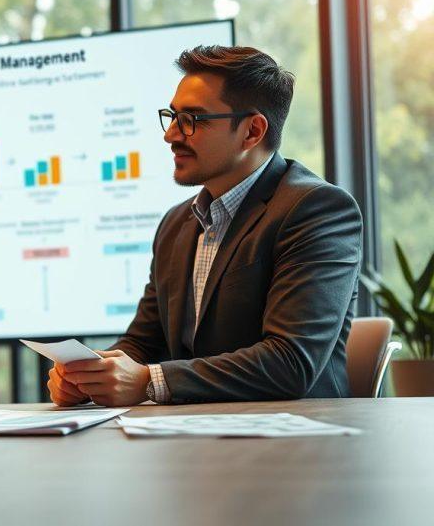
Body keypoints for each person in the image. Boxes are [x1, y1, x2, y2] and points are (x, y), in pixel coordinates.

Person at [48, 45, 363, 407]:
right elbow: (144, 342)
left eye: (192, 120)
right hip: (192, 438)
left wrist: (150, 380)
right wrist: (90, 375)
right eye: (172, 116)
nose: (171, 136)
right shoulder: (176, 224)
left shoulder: (317, 210)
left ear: (252, 131)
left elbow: (290, 362)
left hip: (298, 441)